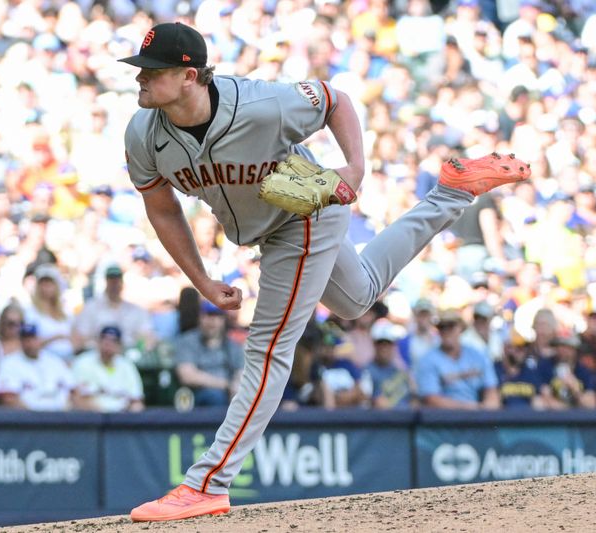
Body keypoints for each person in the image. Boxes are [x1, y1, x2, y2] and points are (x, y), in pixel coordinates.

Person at [123, 22, 529, 521]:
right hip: (267, 222)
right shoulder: (143, 133)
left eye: (152, 71)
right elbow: (163, 211)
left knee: (268, 346)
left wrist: (355, 167)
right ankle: (452, 192)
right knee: (356, 299)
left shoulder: (261, 104)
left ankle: (208, 482)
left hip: (304, 205)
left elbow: (335, 100)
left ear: (190, 76)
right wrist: (202, 280)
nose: (140, 79)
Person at [414, 309, 501, 410]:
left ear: (461, 328)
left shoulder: (477, 355)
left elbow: (491, 390)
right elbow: (431, 399)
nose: (446, 331)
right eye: (442, 327)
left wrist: (488, 407)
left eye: (451, 326)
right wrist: (473, 408)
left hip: (476, 418)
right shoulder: (428, 359)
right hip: (442, 419)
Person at [0, 323, 79, 411]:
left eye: (33, 339)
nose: (30, 343)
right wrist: (34, 416)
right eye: (26, 340)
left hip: (60, 417)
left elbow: (73, 390)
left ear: (40, 339)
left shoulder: (55, 361)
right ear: (20, 341)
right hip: (27, 419)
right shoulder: (9, 363)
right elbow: (7, 398)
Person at [173, 301, 244, 407]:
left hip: (229, 394)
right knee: (214, 396)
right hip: (197, 395)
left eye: (217, 316)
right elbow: (187, 376)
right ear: (200, 317)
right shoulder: (188, 340)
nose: (213, 321)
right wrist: (226, 385)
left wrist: (236, 386)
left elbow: (241, 372)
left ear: (223, 320)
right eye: (208, 316)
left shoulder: (231, 344)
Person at [71, 264, 155, 353]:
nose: (114, 285)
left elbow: (147, 335)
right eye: (111, 281)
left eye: (117, 281)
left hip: (128, 354)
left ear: (122, 283)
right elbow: (81, 335)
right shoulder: (91, 308)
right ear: (106, 282)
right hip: (97, 355)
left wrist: (141, 348)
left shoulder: (136, 311)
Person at [72, 325, 145, 412]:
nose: (108, 344)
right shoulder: (83, 362)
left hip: (122, 417)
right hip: (91, 417)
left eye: (113, 341)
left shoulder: (126, 365)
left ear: (120, 346)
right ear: (98, 342)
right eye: (104, 339)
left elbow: (136, 399)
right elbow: (77, 398)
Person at [538, 332, 596, 410]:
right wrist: (566, 410)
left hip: (578, 416)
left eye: (568, 347)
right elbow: (544, 397)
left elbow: (591, 405)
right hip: (552, 415)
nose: (563, 351)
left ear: (575, 350)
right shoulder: (545, 366)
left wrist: (575, 389)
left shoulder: (582, 370)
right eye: (560, 346)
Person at [366, 318, 412, 409]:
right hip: (383, 420)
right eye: (380, 344)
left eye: (388, 344)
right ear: (374, 345)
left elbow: (413, 399)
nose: (384, 348)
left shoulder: (399, 370)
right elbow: (375, 402)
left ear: (393, 346)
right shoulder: (367, 371)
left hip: (407, 418)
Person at [494, 331, 544, 409]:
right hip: (502, 418)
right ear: (506, 348)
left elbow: (538, 399)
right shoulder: (495, 370)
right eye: (518, 348)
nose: (523, 352)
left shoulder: (530, 372)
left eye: (525, 348)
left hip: (528, 418)